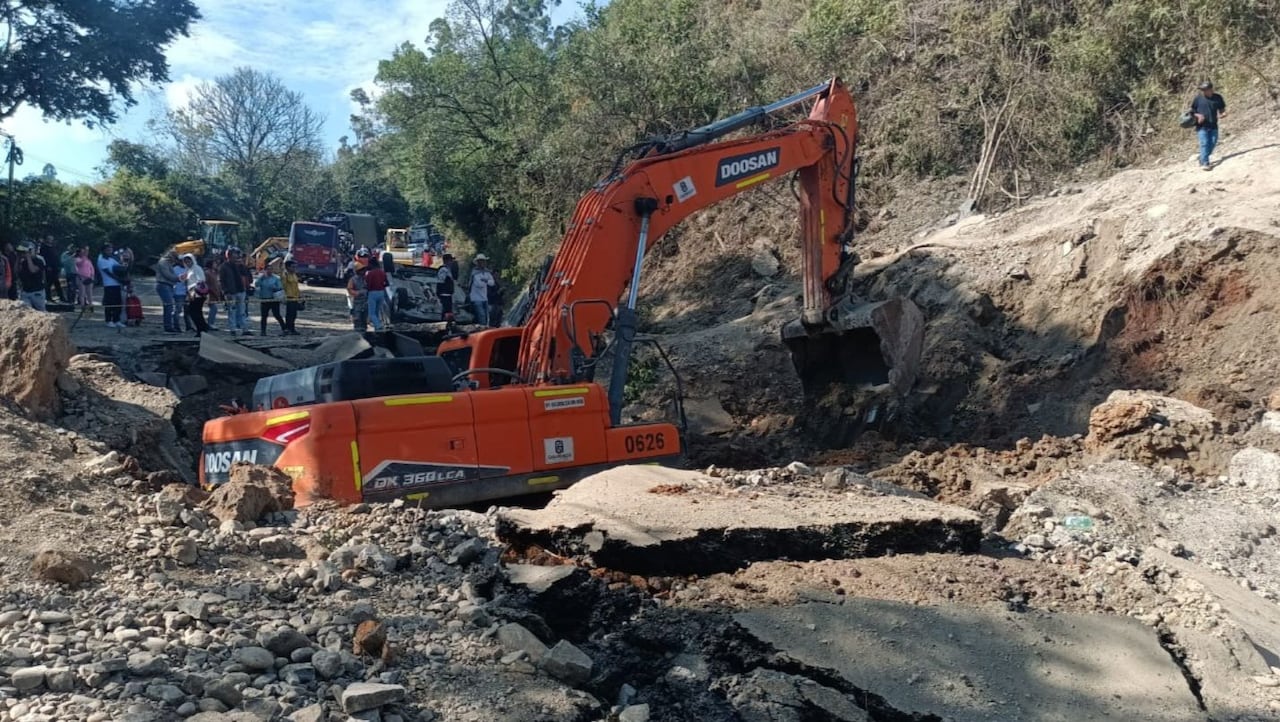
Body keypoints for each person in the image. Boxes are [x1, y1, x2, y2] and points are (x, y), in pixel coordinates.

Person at [1191, 81, 1227, 170]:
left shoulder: (1217, 98)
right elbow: (1192, 111)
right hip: (1201, 126)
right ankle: (1205, 163)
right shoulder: (1198, 99)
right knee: (1205, 143)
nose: (1204, 91)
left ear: (1211, 89)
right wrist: (1198, 115)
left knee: (1213, 143)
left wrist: (1223, 114)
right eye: (1202, 90)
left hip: (1213, 124)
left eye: (1205, 90)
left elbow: (1222, 109)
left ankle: (1202, 157)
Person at [178, 253, 210, 335]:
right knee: (197, 312)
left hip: (198, 293)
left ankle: (201, 328)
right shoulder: (189, 270)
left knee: (193, 311)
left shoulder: (197, 268)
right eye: (185, 262)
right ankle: (202, 328)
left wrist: (193, 287)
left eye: (189, 261)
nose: (187, 263)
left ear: (192, 260)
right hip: (191, 293)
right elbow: (188, 281)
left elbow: (201, 280)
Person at [219, 248, 249, 335]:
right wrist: (225, 292)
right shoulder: (223, 267)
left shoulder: (238, 265)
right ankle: (233, 329)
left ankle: (244, 329)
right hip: (231, 292)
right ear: (229, 256)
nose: (236, 257)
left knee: (242, 311)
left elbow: (245, 275)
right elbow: (222, 281)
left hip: (241, 290)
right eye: (234, 255)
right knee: (232, 311)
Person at [98, 243, 126, 327]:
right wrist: (120, 279)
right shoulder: (102, 261)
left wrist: (125, 265)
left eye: (111, 250)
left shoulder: (111, 260)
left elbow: (119, 267)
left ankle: (116, 319)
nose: (110, 252)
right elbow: (109, 273)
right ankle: (108, 320)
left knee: (118, 302)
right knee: (110, 303)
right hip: (109, 285)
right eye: (108, 250)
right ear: (103, 251)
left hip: (116, 284)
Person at [15, 242, 48, 311]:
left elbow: (32, 270)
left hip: (37, 292)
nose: (23, 254)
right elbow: (16, 271)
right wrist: (18, 258)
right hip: (25, 291)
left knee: (41, 312)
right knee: (27, 312)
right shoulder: (23, 262)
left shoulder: (39, 261)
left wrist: (28, 256)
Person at [154, 251, 182, 333]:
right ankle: (168, 327)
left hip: (168, 285)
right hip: (163, 285)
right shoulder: (163, 262)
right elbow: (167, 275)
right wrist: (178, 278)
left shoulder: (168, 263)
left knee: (169, 306)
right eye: (175, 258)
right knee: (168, 306)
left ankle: (169, 325)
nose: (176, 261)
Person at [255, 264, 286, 335]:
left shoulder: (276, 278)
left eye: (271, 269)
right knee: (264, 316)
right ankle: (263, 331)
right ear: (265, 270)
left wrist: (275, 287)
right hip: (264, 299)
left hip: (274, 299)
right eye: (268, 269)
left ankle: (284, 328)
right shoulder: (262, 278)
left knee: (277, 315)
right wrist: (261, 278)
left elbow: (280, 287)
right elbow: (257, 284)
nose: (269, 271)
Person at [468, 253, 495, 326]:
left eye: (484, 261)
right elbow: (479, 284)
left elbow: (492, 283)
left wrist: (485, 280)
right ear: (478, 263)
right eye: (481, 261)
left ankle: (485, 328)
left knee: (486, 316)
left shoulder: (487, 272)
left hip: (484, 297)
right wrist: (486, 281)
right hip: (476, 298)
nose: (483, 263)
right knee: (481, 316)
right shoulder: (475, 273)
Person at [364, 261, 389, 331]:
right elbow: (387, 283)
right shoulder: (382, 272)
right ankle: (377, 329)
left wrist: (367, 292)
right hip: (381, 293)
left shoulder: (370, 273)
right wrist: (381, 286)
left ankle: (378, 326)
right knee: (376, 312)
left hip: (372, 293)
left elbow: (368, 284)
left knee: (371, 313)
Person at [172, 254, 195, 332]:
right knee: (178, 310)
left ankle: (189, 326)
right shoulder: (175, 269)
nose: (184, 262)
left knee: (187, 311)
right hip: (178, 292)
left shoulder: (188, 269)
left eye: (186, 261)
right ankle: (176, 326)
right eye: (182, 261)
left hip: (187, 292)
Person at [39, 235, 63, 303]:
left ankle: (61, 297)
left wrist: (59, 266)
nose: (51, 240)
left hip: (55, 268)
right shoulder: (43, 248)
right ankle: (48, 297)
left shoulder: (53, 248)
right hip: (49, 268)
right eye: (49, 239)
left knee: (57, 283)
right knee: (49, 283)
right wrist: (47, 266)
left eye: (52, 239)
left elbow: (56, 257)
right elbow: (44, 258)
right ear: (46, 239)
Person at [282, 259, 303, 335]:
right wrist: (284, 296)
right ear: (287, 267)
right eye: (292, 267)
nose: (294, 269)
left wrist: (299, 295)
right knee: (289, 314)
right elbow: (283, 286)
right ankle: (287, 329)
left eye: (295, 267)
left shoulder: (294, 275)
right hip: (289, 297)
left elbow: (296, 286)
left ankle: (292, 329)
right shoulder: (285, 275)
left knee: (294, 314)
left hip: (295, 297)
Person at [348, 264, 370, 331]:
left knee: (365, 317)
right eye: (361, 270)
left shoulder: (366, 279)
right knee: (357, 317)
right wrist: (357, 293)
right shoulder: (353, 279)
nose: (363, 271)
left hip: (366, 301)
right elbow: (350, 289)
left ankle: (364, 329)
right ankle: (357, 330)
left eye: (364, 270)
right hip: (357, 301)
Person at [204, 258, 224, 330]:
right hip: (210, 293)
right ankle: (210, 323)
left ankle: (211, 323)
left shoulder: (214, 272)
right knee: (213, 309)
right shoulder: (207, 273)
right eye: (214, 263)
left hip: (215, 292)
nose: (216, 265)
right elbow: (206, 283)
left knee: (214, 309)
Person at [73, 246, 94, 311]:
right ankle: (82, 306)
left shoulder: (88, 260)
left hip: (89, 277)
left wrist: (92, 275)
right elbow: (81, 264)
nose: (83, 253)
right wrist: (85, 255)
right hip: (81, 277)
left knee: (89, 293)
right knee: (82, 293)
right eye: (82, 252)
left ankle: (91, 305)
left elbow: (91, 268)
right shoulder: (77, 259)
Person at [437, 253, 455, 319]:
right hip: (444, 294)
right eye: (450, 260)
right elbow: (440, 281)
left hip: (448, 294)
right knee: (445, 311)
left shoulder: (448, 270)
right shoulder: (443, 270)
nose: (452, 262)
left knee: (449, 311)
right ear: (446, 261)